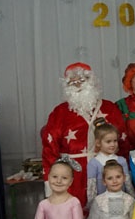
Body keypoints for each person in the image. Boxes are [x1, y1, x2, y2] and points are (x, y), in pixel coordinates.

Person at [41, 62, 127, 209]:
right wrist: (51, 182)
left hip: (105, 172)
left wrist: (123, 173)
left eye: (82, 80)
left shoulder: (110, 108)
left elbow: (123, 144)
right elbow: (49, 149)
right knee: (73, 212)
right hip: (72, 174)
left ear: (91, 81)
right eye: (72, 82)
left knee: (106, 212)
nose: (78, 85)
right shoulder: (60, 112)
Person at [86, 119, 134, 204]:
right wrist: (92, 205)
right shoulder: (93, 163)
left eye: (115, 141)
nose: (112, 144)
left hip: (122, 202)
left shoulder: (122, 161)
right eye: (108, 142)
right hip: (102, 204)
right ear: (98, 143)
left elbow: (128, 183)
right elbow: (91, 188)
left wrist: (133, 199)